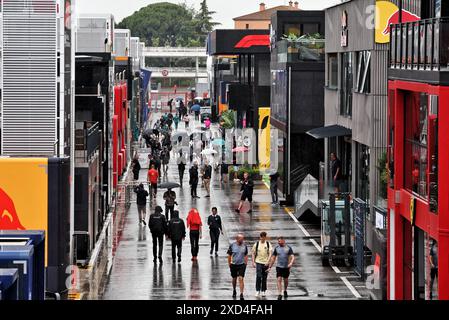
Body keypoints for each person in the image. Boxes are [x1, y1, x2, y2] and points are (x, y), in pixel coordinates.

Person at [227, 234, 248, 300]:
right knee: (234, 278)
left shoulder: (244, 246)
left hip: (242, 265)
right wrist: (229, 264)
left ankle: (241, 294)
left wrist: (245, 263)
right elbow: (229, 255)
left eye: (243, 239)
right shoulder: (232, 245)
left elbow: (246, 254)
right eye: (241, 239)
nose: (242, 240)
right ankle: (234, 289)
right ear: (237, 239)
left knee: (241, 278)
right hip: (233, 265)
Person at [251, 232, 272, 297]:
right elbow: (253, 253)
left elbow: (270, 253)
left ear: (265, 237)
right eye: (261, 237)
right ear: (260, 237)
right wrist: (253, 262)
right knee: (259, 276)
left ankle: (263, 290)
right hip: (258, 262)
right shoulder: (256, 244)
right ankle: (257, 290)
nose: (262, 238)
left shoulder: (268, 244)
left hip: (266, 263)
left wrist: (268, 261)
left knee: (264, 277)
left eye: (264, 237)